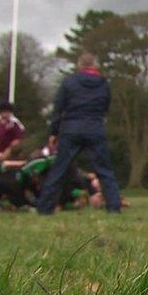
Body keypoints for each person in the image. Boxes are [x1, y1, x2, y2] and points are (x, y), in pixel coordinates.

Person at [36, 52, 122, 215]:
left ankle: (45, 208)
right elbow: (106, 106)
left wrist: (54, 132)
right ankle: (113, 206)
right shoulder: (104, 84)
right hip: (95, 127)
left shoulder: (69, 82)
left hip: (71, 128)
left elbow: (58, 108)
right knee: (104, 170)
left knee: (59, 169)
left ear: (79, 65)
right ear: (95, 65)